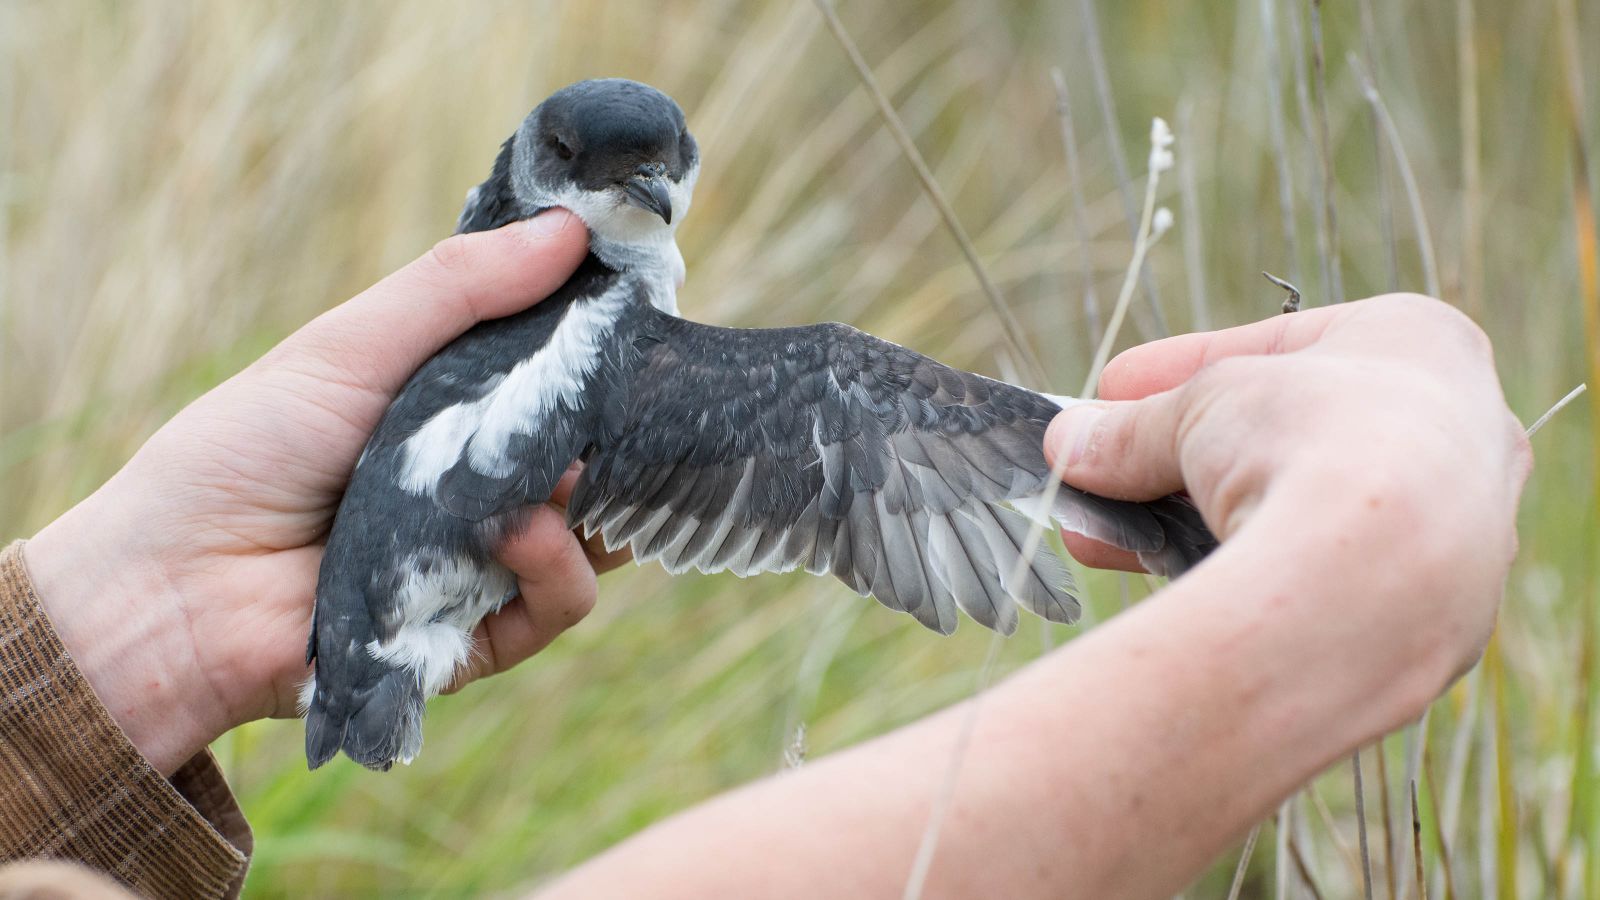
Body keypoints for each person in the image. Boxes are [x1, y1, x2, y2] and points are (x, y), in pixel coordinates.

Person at [0, 210, 1530, 899]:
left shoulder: (528, 320)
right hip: (372, 584)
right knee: (860, 393)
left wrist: (137, 632)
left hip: (289, 609)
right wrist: (1310, 616)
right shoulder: (603, 332)